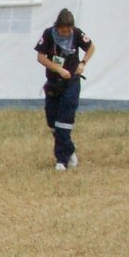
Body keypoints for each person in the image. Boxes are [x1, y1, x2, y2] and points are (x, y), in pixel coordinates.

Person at [35, 9, 95, 172]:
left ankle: (61, 159)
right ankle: (69, 149)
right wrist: (58, 69)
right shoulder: (48, 35)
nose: (67, 33)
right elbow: (41, 57)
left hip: (71, 82)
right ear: (58, 27)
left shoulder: (76, 34)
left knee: (64, 119)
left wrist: (82, 63)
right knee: (52, 120)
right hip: (54, 82)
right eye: (64, 30)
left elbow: (91, 47)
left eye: (69, 30)